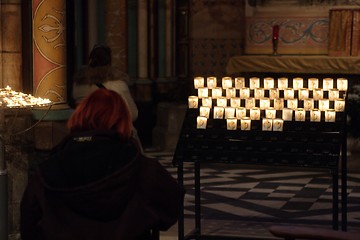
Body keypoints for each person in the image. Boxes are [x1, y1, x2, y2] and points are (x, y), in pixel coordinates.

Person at [20, 88, 185, 240]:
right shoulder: (143, 168)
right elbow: (170, 211)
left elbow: (29, 225)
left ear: (79, 115)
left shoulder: (48, 170)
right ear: (123, 121)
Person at [71, 44, 143, 150]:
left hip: (85, 135)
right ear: (109, 61)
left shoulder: (78, 85)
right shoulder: (117, 84)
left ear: (90, 60)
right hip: (113, 136)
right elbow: (133, 114)